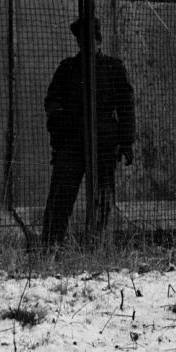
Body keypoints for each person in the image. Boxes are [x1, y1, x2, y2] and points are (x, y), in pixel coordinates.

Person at [41, 13, 137, 245]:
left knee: (102, 198)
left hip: (103, 143)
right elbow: (52, 101)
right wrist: (60, 125)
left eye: (91, 40)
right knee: (60, 196)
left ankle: (96, 245)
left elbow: (126, 105)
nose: (86, 45)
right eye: (81, 40)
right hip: (71, 141)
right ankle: (50, 247)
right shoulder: (67, 68)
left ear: (99, 40)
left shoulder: (113, 68)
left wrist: (126, 143)